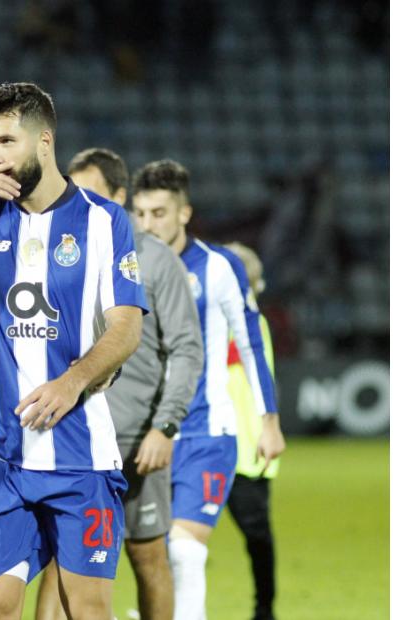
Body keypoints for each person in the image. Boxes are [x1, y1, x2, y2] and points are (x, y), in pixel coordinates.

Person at [0, 82, 147, 620]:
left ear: (44, 142)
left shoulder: (102, 221)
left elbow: (125, 328)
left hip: (81, 457)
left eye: (6, 141)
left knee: (87, 612)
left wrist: (72, 381)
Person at [35, 149, 205, 620]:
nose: (79, 202)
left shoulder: (154, 260)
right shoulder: (58, 249)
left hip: (133, 438)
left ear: (118, 197)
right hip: (68, 434)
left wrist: (165, 427)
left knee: (147, 556)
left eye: (91, 193)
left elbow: (188, 351)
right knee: (56, 560)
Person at [129, 159, 286, 620]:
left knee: (184, 551)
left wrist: (269, 422)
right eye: (139, 213)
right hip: (143, 432)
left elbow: (252, 341)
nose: (147, 224)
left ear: (183, 213)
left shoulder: (219, 266)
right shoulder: (127, 262)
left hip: (205, 431)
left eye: (158, 213)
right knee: (149, 553)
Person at [222, 242, 280, 620]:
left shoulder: (251, 323)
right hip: (207, 442)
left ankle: (264, 608)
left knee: (256, 534)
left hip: (245, 448)